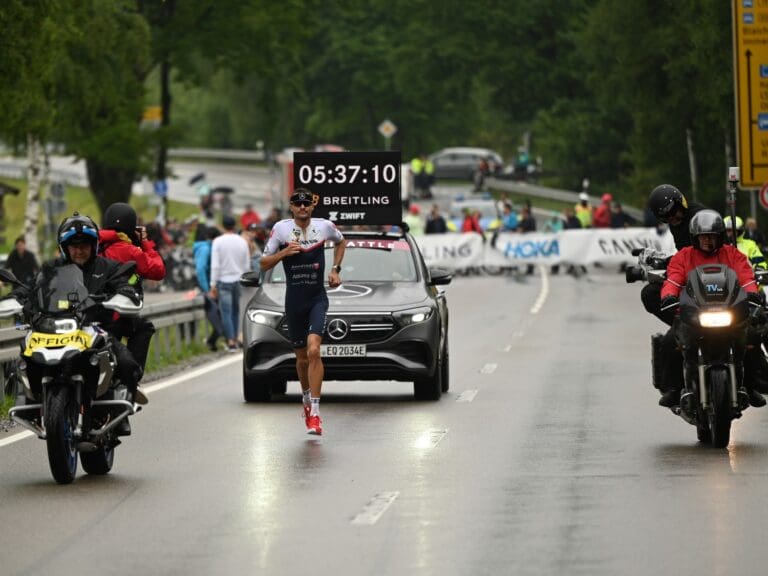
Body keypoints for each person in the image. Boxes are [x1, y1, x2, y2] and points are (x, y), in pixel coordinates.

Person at [12, 213, 144, 434]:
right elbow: (33, 290)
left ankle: (121, 412)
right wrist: (18, 297)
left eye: (84, 245)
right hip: (53, 328)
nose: (79, 250)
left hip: (95, 328)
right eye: (73, 245)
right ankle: (30, 402)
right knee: (24, 357)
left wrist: (126, 293)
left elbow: (124, 283)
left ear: (94, 245)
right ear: (64, 247)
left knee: (127, 364)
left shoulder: (108, 267)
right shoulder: (51, 269)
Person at [657, 209, 766, 408]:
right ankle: (674, 389)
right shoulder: (683, 256)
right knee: (669, 342)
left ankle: (751, 386)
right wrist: (669, 296)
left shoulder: (732, 254)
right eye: (703, 236)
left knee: (752, 337)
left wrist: (752, 293)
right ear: (694, 237)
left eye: (712, 236)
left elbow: (746, 276)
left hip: (728, 312)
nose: (708, 240)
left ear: (720, 237)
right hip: (694, 315)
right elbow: (672, 278)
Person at [260, 188, 345, 436]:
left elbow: (342, 241)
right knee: (301, 359)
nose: (303, 207)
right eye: (298, 204)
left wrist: (336, 269)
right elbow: (263, 263)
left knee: (314, 349)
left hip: (317, 297)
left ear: (312, 207)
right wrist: (284, 253)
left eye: (306, 204)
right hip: (294, 300)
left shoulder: (325, 226)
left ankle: (316, 413)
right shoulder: (281, 229)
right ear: (291, 207)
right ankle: (306, 400)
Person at [99, 202, 166, 393]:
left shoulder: (93, 246)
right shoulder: (131, 251)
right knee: (144, 327)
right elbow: (158, 270)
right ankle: (131, 378)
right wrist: (144, 242)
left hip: (92, 310)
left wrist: (110, 234)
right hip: (118, 313)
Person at [210, 214, 251, 351]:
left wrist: (213, 284)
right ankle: (236, 338)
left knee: (226, 312)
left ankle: (231, 341)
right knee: (236, 311)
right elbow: (246, 264)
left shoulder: (218, 242)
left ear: (223, 226)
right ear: (235, 226)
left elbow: (215, 265)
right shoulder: (242, 241)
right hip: (238, 279)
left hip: (224, 281)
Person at [193, 223, 224, 351]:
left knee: (221, 316)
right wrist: (207, 290)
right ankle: (211, 342)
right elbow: (200, 270)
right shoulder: (205, 249)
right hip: (206, 290)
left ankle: (212, 343)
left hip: (212, 288)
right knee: (217, 318)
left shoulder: (210, 247)